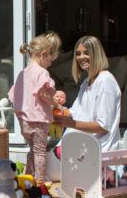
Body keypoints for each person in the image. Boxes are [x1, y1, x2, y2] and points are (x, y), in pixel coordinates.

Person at [43, 35, 121, 181]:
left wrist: (70, 123)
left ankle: (108, 174)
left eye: (86, 53)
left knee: (48, 164)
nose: (81, 57)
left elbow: (103, 126)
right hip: (81, 146)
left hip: (97, 148)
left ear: (96, 54)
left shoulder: (105, 81)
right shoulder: (87, 82)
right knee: (44, 160)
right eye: (78, 54)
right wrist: (55, 109)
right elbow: (74, 112)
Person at [8, 31, 67, 191]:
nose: (50, 64)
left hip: (24, 121)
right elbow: (42, 93)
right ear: (44, 55)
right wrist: (56, 104)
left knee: (32, 150)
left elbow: (13, 96)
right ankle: (39, 183)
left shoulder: (22, 73)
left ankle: (28, 178)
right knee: (40, 151)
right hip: (38, 120)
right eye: (51, 60)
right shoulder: (42, 73)